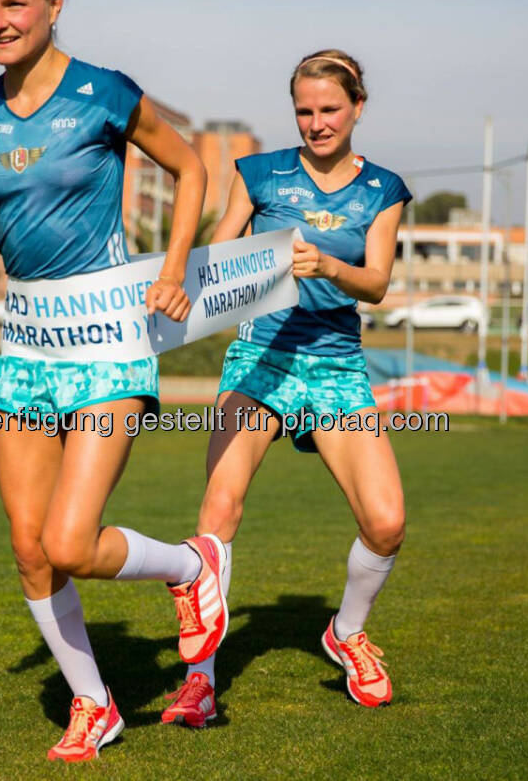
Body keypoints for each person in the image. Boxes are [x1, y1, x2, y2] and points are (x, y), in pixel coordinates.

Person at [0, 0, 229, 762]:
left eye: (14, 3)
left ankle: (190, 569)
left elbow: (192, 169)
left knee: (71, 542)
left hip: (111, 340)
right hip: (26, 347)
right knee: (28, 546)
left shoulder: (103, 94)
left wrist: (175, 266)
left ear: (55, 4)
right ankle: (95, 705)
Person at [160, 50, 411, 727]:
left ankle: (346, 631)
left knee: (386, 521)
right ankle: (200, 680)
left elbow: (379, 284)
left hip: (335, 366)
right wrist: (190, 287)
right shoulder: (259, 172)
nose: (316, 122)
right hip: (260, 356)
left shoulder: (384, 190)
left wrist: (328, 263)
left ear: (358, 108)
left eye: (330, 109)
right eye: (304, 110)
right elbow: (217, 253)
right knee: (220, 507)